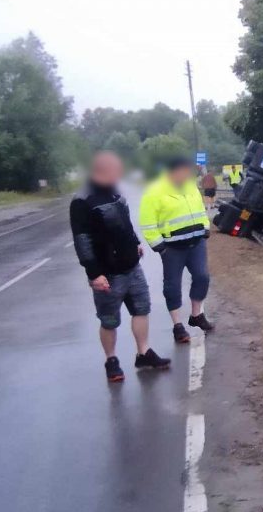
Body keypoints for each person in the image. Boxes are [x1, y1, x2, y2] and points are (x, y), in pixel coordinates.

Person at [70, 151, 171, 382]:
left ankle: (143, 352)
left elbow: (125, 223)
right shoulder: (82, 201)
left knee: (141, 309)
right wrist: (94, 273)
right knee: (109, 320)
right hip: (107, 274)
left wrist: (135, 243)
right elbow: (82, 240)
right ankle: (111, 360)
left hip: (131, 267)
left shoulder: (114, 192)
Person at [140, 157, 216, 344]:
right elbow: (148, 223)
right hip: (172, 248)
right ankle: (178, 326)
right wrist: (160, 247)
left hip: (196, 243)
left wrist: (205, 228)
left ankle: (196, 315)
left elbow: (200, 210)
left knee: (202, 277)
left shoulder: (190, 186)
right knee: (172, 286)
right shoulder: (155, 191)